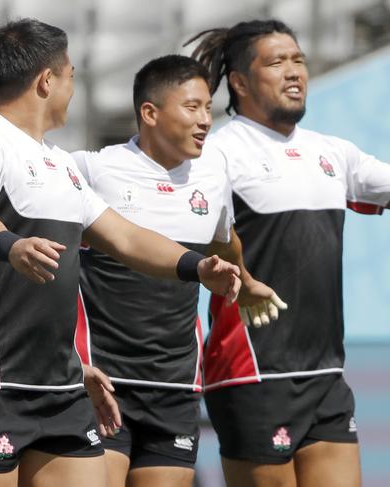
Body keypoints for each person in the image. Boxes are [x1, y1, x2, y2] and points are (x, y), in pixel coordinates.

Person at [0, 19, 242, 487]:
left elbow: (125, 238)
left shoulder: (60, 163)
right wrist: (11, 246)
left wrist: (196, 266)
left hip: (63, 383)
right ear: (47, 81)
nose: (74, 86)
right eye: (72, 74)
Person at [186, 19, 390, 487]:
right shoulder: (217, 155)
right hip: (252, 373)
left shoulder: (333, 153)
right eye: (276, 62)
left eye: (298, 59)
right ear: (239, 81)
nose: (294, 71)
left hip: (326, 375)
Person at [72, 54, 285, 487]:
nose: (205, 119)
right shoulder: (94, 170)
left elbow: (225, 240)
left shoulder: (212, 176)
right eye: (192, 107)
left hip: (175, 386)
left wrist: (242, 282)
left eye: (208, 107)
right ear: (149, 113)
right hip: (102, 381)